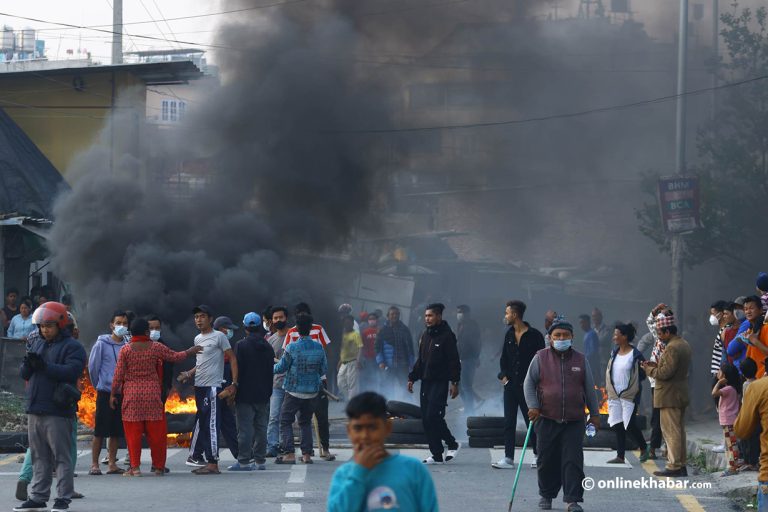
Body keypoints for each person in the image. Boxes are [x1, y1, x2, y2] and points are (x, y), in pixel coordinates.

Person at [14, 302, 86, 512]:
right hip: (36, 408)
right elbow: (24, 374)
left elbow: (72, 371)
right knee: (39, 456)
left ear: (60, 325)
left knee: (61, 457)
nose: (44, 329)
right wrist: (28, 365)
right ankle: (38, 496)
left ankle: (63, 498)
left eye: (49, 326)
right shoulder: (37, 344)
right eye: (42, 326)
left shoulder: (73, 346)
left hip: (58, 409)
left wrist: (45, 367)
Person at [524, 318, 600, 512]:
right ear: (550, 338)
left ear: (572, 337)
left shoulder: (581, 359)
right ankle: (546, 495)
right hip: (546, 418)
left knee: (573, 460)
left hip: (574, 420)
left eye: (565, 335)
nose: (561, 338)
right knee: (546, 459)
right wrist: (533, 406)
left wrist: (595, 414)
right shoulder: (540, 357)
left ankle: (572, 500)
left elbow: (589, 389)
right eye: (557, 335)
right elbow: (529, 384)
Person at [110, 318, 200, 476]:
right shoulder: (156, 347)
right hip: (152, 395)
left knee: (133, 433)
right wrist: (190, 351)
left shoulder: (126, 350)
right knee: (157, 433)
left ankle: (135, 468)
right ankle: (158, 467)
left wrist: (112, 394)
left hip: (132, 397)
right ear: (146, 332)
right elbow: (175, 357)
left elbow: (118, 375)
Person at [327, 392, 438, 512]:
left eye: (373, 427)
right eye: (358, 428)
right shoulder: (344, 475)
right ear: (349, 431)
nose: (365, 436)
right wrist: (359, 472)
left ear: (387, 428)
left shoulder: (414, 470)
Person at [493, 299, 545, 470]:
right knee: (509, 421)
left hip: (528, 387)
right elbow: (504, 360)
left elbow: (540, 362)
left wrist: (536, 383)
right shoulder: (508, 334)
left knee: (532, 421)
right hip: (510, 386)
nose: (505, 316)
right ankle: (508, 458)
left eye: (507, 313)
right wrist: (504, 378)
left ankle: (538, 455)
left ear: (515, 315)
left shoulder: (535, 336)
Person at [407, 303, 461, 465]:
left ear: (439, 316)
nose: (427, 319)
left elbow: (454, 361)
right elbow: (421, 360)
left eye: (430, 316)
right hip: (426, 382)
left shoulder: (447, 336)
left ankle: (452, 444)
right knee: (426, 419)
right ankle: (436, 454)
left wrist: (455, 382)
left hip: (440, 382)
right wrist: (412, 378)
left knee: (434, 416)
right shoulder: (425, 335)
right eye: (425, 316)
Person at [187, 305, 238, 475]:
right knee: (204, 423)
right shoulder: (197, 339)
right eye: (196, 317)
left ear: (210, 319)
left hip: (213, 387)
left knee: (212, 425)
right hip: (199, 387)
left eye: (202, 316)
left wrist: (234, 384)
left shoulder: (219, 337)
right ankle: (206, 458)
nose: (198, 320)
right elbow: (200, 362)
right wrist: (189, 373)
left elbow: (232, 358)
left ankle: (213, 463)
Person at [641, 309, 692, 477]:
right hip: (678, 393)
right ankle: (680, 464)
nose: (659, 337)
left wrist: (648, 369)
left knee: (671, 432)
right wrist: (655, 366)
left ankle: (674, 465)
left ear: (668, 331)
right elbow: (670, 369)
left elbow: (664, 374)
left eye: (660, 333)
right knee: (678, 430)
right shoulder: (683, 344)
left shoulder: (671, 348)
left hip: (669, 395)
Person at [283, 302, 335, 461]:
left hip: (317, 382)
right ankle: (307, 452)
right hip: (299, 383)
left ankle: (325, 449)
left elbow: (327, 351)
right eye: (299, 314)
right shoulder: (291, 333)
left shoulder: (318, 329)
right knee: (303, 419)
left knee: (321, 416)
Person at [274, 314, 328, 464]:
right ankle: (306, 455)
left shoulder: (292, 347)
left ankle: (289, 453)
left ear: (296, 328)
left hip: (293, 391)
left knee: (285, 421)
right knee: (305, 422)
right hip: (312, 392)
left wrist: (269, 368)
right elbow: (323, 369)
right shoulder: (319, 348)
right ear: (311, 328)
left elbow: (281, 367)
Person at [229, 312, 275, 471]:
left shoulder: (241, 346)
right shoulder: (267, 346)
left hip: (245, 395)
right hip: (263, 394)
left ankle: (243, 461)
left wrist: (234, 387)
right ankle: (260, 461)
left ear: (245, 327)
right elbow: (271, 370)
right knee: (261, 428)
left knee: (245, 429)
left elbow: (237, 369)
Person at [87, 310, 128, 476]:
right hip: (105, 391)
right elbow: (93, 368)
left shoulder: (127, 344)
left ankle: (112, 463)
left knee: (116, 430)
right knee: (100, 430)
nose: (122, 326)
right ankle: (94, 464)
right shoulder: (101, 344)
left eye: (125, 323)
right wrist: (99, 384)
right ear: (111, 325)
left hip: (122, 392)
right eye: (119, 323)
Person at [605, 322, 649, 464]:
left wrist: (632, 385)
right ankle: (620, 456)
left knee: (629, 424)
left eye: (616, 334)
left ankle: (643, 447)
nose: (614, 337)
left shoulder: (635, 354)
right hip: (615, 394)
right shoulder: (614, 353)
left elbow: (643, 373)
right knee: (618, 424)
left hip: (630, 395)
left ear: (624, 336)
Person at [644, 303, 669, 460]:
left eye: (660, 326)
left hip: (664, 382)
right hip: (655, 381)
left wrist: (653, 367)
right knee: (657, 415)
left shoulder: (670, 343)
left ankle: (662, 447)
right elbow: (649, 321)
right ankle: (655, 447)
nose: (656, 329)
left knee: (664, 415)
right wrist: (655, 310)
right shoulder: (659, 336)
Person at [376, 306, 415, 402]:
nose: (395, 316)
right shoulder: (383, 331)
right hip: (388, 365)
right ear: (388, 316)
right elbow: (377, 348)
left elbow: (410, 348)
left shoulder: (405, 329)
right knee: (386, 386)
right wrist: (380, 361)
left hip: (403, 365)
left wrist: (412, 363)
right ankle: (387, 406)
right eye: (392, 314)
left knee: (406, 386)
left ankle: (408, 405)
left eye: (397, 314)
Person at [712, 362, 743, 476]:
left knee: (731, 445)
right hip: (729, 420)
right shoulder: (732, 388)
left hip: (728, 420)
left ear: (724, 376)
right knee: (729, 444)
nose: (717, 373)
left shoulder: (728, 389)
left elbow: (714, 393)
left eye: (719, 371)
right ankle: (731, 465)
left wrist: (719, 382)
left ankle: (732, 467)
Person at [267, 306, 289, 457]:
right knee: (274, 417)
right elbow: (267, 362)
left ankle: (287, 446)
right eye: (275, 318)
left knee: (289, 418)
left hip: (293, 385)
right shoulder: (271, 340)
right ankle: (273, 446)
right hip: (276, 385)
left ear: (286, 318)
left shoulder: (293, 336)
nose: (278, 320)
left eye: (280, 317)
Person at [456, 305, 483, 415]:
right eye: (458, 312)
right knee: (460, 386)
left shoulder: (472, 325)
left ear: (467, 313)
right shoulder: (460, 325)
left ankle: (469, 410)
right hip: (460, 359)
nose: (459, 314)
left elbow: (477, 343)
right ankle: (469, 405)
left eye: (461, 312)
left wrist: (476, 357)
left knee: (466, 386)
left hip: (468, 360)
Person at [738, 357, 760, 471]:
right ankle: (753, 461)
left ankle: (750, 462)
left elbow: (745, 402)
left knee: (747, 440)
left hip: (750, 416)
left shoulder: (746, 384)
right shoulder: (759, 381)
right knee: (755, 440)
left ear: (742, 372)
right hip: (758, 416)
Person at [147, 315, 173, 404]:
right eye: (151, 328)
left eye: (157, 328)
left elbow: (169, 370)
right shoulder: (139, 347)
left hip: (160, 390)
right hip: (143, 390)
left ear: (160, 329)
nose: (154, 331)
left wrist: (168, 387)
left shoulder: (165, 348)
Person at [338, 315, 363, 401]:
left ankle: (351, 403)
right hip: (344, 362)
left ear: (352, 324)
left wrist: (358, 361)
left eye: (349, 323)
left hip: (353, 362)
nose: (347, 324)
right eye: (345, 323)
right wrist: (340, 361)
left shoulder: (356, 334)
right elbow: (343, 350)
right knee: (340, 382)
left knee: (352, 384)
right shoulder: (343, 334)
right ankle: (351, 400)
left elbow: (360, 347)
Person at [709, 301, 729, 403]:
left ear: (720, 314)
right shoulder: (721, 330)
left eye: (713, 314)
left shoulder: (725, 330)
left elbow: (725, 353)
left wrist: (721, 370)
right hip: (717, 373)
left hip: (721, 373)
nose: (711, 317)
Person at [359, 312, 379, 393]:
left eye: (373, 319)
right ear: (368, 320)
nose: (372, 321)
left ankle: (372, 393)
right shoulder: (364, 332)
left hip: (377, 360)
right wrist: (359, 359)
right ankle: (363, 393)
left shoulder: (380, 331)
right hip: (367, 359)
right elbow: (361, 346)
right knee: (364, 378)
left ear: (376, 320)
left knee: (375, 378)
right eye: (370, 319)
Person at [578, 315, 601, 384]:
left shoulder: (592, 334)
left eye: (582, 322)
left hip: (593, 367)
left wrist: (583, 359)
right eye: (580, 323)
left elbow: (593, 352)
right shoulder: (587, 334)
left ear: (587, 322)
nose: (581, 325)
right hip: (588, 366)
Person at [592, 308, 612, 382]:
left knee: (604, 381)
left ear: (601, 316)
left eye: (596, 316)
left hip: (603, 361)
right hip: (593, 361)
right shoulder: (591, 329)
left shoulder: (607, 329)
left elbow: (603, 340)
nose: (594, 318)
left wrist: (592, 339)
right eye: (593, 316)